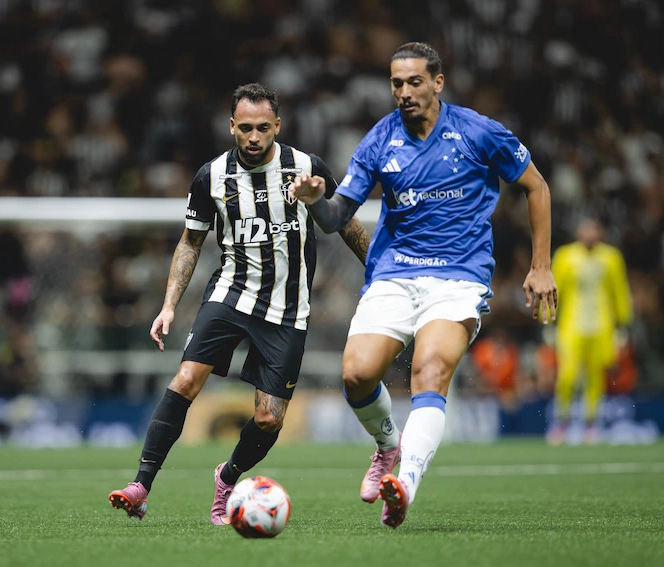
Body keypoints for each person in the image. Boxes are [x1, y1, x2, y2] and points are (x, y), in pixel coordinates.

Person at [289, 42, 558, 529]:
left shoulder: (478, 132)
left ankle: (405, 484)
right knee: (356, 375)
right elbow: (335, 219)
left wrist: (541, 266)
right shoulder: (378, 141)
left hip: (458, 277)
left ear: (437, 82)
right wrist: (313, 200)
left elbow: (537, 186)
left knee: (430, 371)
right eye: (397, 83)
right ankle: (389, 447)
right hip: (394, 273)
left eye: (415, 82)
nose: (405, 92)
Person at [108, 83, 370, 523]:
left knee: (269, 420)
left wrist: (380, 272)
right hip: (230, 293)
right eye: (245, 128)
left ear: (277, 127)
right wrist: (169, 305)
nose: (253, 137)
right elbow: (190, 242)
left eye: (263, 128)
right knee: (186, 378)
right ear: (231, 126)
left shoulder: (306, 167)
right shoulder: (211, 176)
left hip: (288, 309)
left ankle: (228, 477)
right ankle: (141, 486)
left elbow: (344, 223)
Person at [547, 217, 633, 445]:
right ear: (578, 232)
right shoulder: (565, 256)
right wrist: (547, 321)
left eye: (593, 229)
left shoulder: (611, 257)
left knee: (596, 377)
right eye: (585, 229)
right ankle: (561, 421)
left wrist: (623, 324)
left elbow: (619, 290)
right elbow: (555, 289)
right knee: (567, 375)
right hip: (572, 324)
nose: (589, 234)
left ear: (600, 232)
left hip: (602, 326)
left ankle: (591, 424)